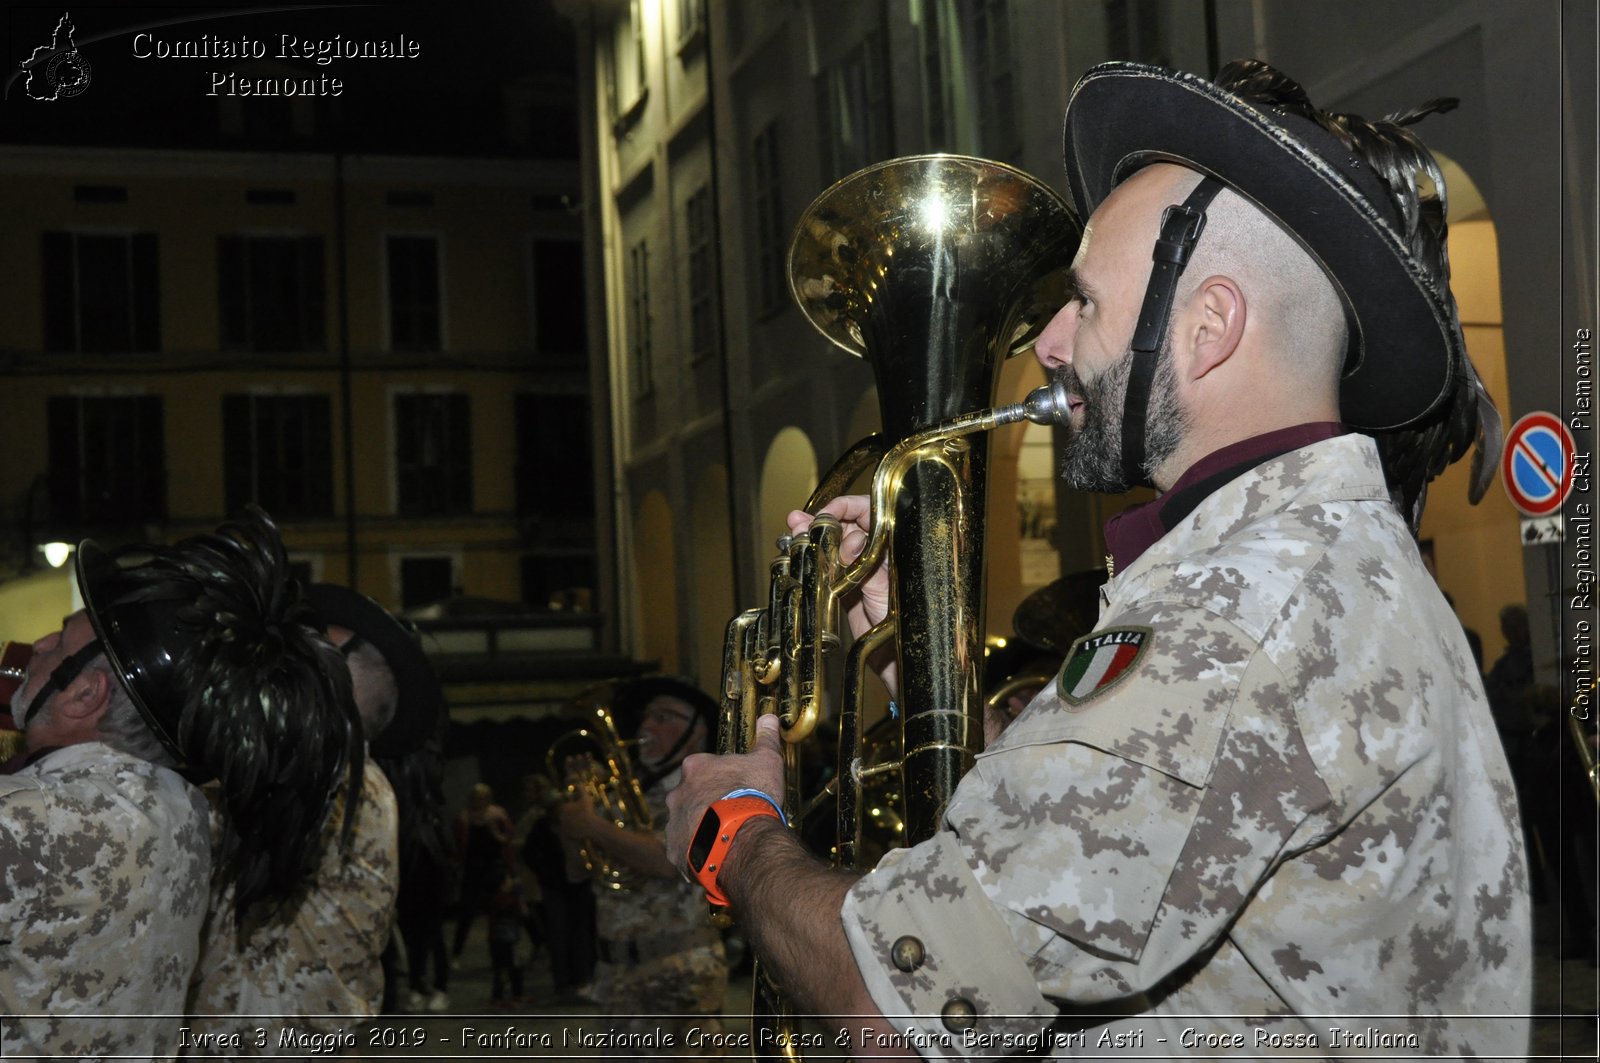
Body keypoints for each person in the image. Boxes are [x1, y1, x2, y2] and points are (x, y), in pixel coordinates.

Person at [663, 59, 1530, 1058]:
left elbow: (892, 1002)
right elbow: (1124, 858)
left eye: (1082, 303)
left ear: (1208, 326)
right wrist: (916, 666)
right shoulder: (1305, 570)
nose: (1046, 341)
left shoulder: (1244, 603)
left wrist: (735, 834)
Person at [1, 508, 361, 1058]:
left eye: (57, 644)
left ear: (84, 695)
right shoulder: (185, 808)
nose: (38, 645)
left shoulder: (29, 818)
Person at [185, 581, 444, 1046]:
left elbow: (186, 824)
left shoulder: (334, 777)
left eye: (316, 644)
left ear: (354, 676)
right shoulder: (341, 776)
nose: (289, 650)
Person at [557, 675, 729, 1056]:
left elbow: (670, 863)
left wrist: (593, 826)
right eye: (647, 716)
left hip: (680, 975)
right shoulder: (622, 790)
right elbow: (578, 872)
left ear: (697, 733)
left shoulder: (709, 794)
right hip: (617, 976)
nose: (646, 728)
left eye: (664, 718)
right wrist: (574, 821)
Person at [453, 781, 515, 959]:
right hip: (473, 871)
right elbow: (460, 847)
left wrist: (511, 871)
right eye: (474, 798)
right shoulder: (464, 819)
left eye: (480, 798)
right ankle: (456, 953)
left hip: (493, 869)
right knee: (466, 913)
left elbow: (508, 841)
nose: (476, 802)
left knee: (500, 911)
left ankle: (500, 954)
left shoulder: (497, 816)